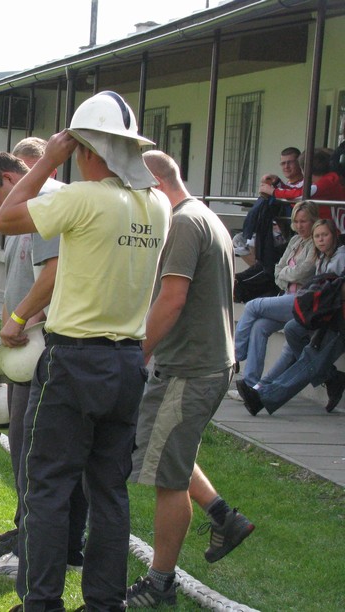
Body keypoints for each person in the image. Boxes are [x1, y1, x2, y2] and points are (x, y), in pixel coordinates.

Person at [0, 91, 170, 612]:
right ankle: (103, 604)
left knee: (47, 489)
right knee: (109, 493)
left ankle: (42, 603)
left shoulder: (82, 197)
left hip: (74, 361)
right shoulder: (156, 204)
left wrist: (47, 158)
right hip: (127, 362)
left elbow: (6, 217)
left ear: (85, 148)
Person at [125, 151, 254, 608]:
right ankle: (224, 517)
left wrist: (136, 353)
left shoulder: (181, 223)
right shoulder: (206, 215)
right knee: (168, 451)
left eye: (138, 190)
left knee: (167, 477)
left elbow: (173, 298)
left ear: (156, 184)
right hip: (209, 363)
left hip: (189, 368)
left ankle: (161, 582)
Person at [0, 148, 88, 579]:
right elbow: (16, 286)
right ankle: (31, 533)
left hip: (46, 348)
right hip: (24, 347)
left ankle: (38, 550)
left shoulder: (49, 202)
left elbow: (53, 275)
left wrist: (23, 323)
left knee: (34, 451)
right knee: (26, 446)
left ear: (7, 176)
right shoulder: (23, 209)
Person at [237, 218, 345, 415]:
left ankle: (262, 397)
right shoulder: (321, 257)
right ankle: (332, 378)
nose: (320, 240)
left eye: (325, 235)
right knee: (291, 329)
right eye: (317, 236)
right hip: (322, 315)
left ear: (334, 236)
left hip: (338, 322)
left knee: (309, 359)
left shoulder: (341, 259)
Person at [234, 201, 319, 391]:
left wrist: (286, 274)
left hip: (302, 300)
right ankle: (249, 384)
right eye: (296, 221)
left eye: (304, 221)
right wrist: (286, 275)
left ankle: (236, 356)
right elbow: (277, 270)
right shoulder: (296, 240)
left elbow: (304, 272)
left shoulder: (316, 242)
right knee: (259, 326)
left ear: (313, 221)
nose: (299, 225)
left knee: (252, 306)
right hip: (286, 296)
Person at [234, 146, 303, 257]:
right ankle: (251, 234)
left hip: (290, 229)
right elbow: (287, 191)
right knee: (238, 239)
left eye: (290, 162)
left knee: (253, 240)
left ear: (299, 163)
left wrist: (272, 191)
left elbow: (294, 196)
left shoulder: (306, 182)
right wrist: (275, 182)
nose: (286, 166)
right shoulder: (289, 184)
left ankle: (251, 235)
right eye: (283, 163)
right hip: (273, 225)